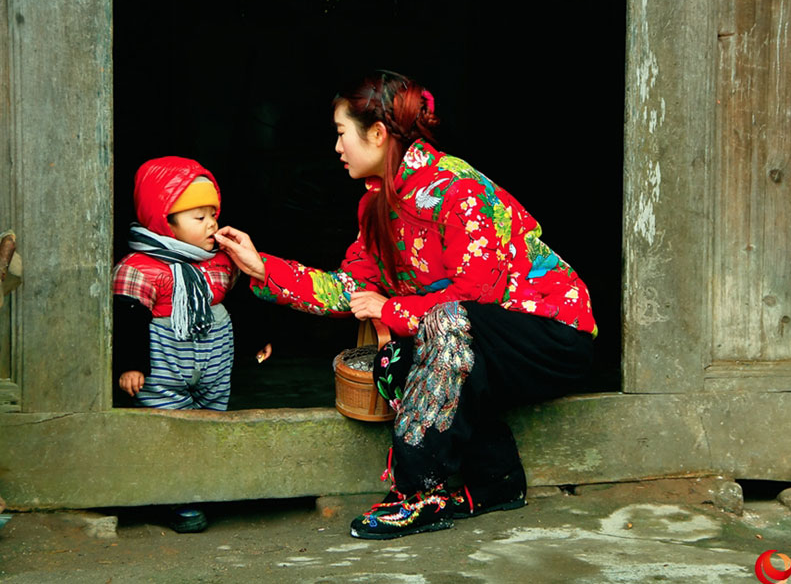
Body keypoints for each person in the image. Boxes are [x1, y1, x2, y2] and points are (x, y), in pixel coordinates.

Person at [215, 70, 598, 540]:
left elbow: (478, 296)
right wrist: (261, 268)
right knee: (397, 356)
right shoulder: (377, 204)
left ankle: (418, 494)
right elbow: (350, 290)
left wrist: (391, 310)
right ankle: (496, 483)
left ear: (376, 133)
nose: (336, 148)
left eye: (341, 134)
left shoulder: (458, 188)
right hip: (475, 338)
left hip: (551, 337)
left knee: (441, 323)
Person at [112, 156, 270, 532]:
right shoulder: (140, 267)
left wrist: (256, 338)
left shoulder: (220, 263)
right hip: (164, 367)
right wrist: (131, 365)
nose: (211, 224)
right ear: (165, 220)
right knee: (171, 430)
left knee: (211, 423)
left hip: (215, 360)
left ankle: (207, 486)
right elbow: (127, 319)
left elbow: (242, 300)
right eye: (198, 217)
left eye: (212, 214)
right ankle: (180, 500)